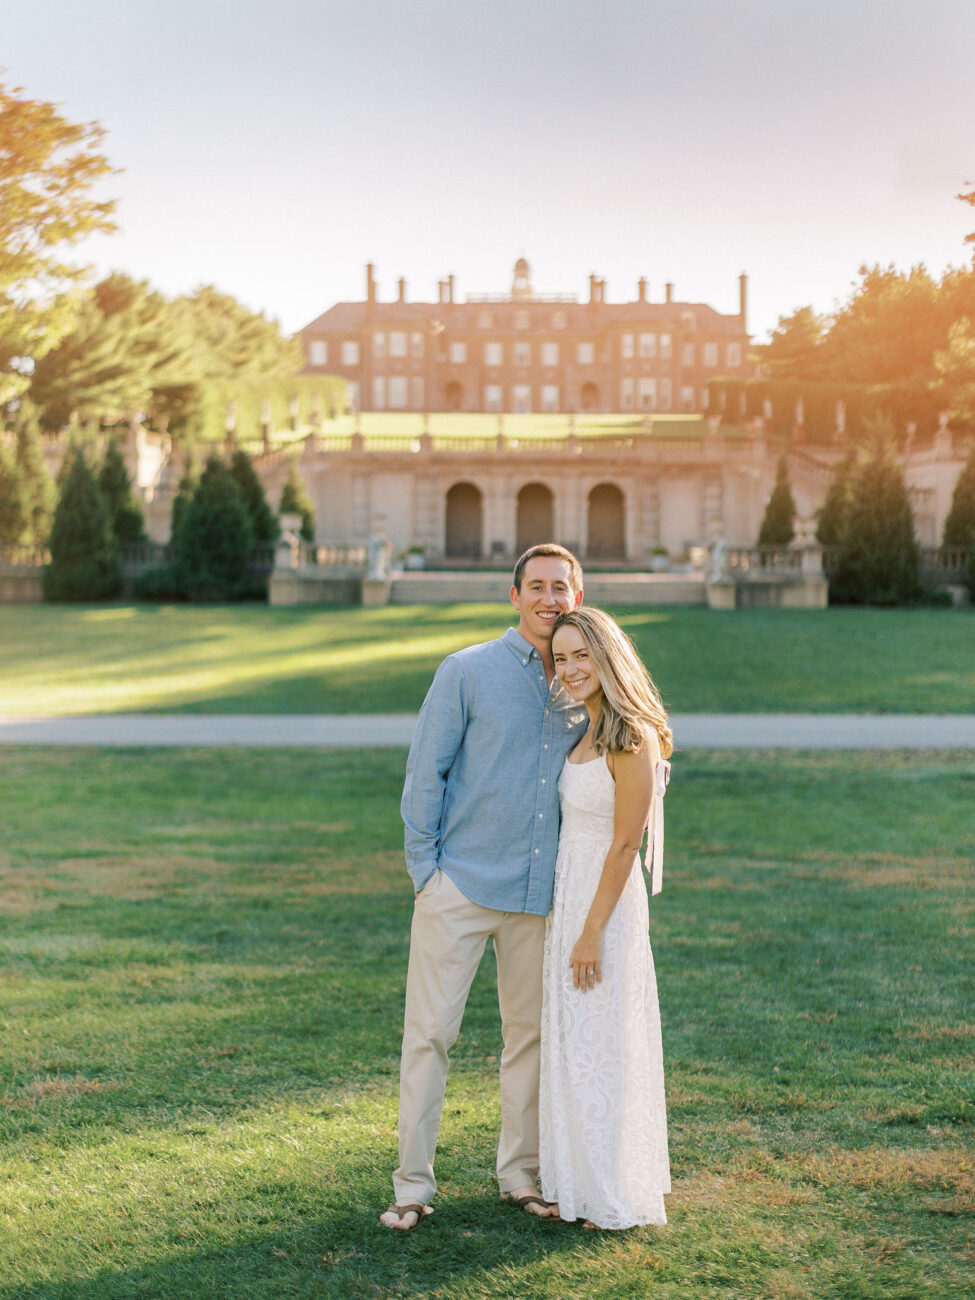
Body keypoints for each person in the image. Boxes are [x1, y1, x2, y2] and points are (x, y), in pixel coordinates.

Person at [380, 544, 588, 1230]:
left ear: (577, 598)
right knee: (429, 1037)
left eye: (560, 587)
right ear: (514, 595)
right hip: (459, 887)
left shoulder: (582, 682)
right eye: (537, 586)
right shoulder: (465, 671)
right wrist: (425, 874)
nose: (548, 598)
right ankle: (411, 1186)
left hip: (538, 898)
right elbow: (425, 773)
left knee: (529, 1041)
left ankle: (519, 1176)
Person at [540, 606, 672, 1230]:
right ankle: (578, 1186)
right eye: (560, 658)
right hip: (570, 897)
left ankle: (614, 1193)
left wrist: (591, 932)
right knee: (575, 1042)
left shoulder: (631, 736)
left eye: (581, 655)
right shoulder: (582, 729)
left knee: (604, 1042)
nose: (570, 669)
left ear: (607, 656)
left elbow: (624, 845)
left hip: (605, 909)